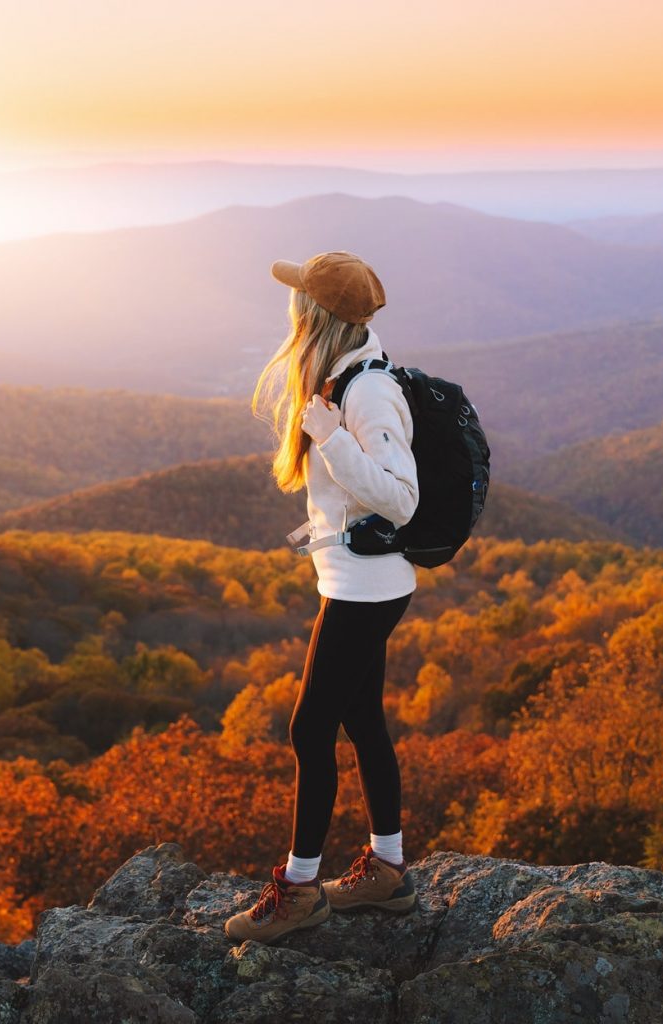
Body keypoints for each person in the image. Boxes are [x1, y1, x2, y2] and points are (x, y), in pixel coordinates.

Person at [224, 250, 419, 944]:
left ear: (316, 315)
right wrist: (320, 531)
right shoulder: (339, 376)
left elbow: (399, 498)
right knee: (361, 720)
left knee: (309, 729)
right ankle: (388, 871)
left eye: (299, 302)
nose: (291, 312)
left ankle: (301, 887)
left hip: (366, 593)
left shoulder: (364, 392)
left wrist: (332, 440)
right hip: (355, 580)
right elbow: (353, 495)